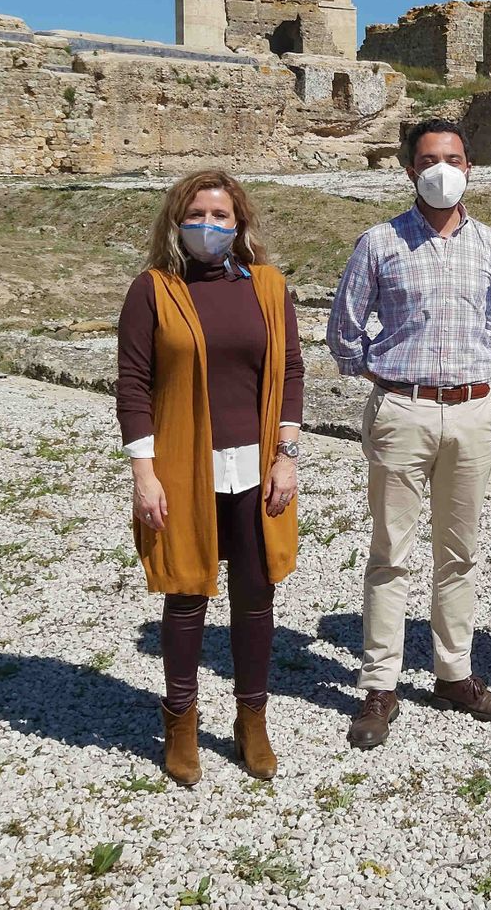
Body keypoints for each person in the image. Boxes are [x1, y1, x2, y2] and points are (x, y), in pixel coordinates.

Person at [326, 117, 491, 750]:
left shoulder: (489, 243)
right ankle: (380, 683)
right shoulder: (379, 242)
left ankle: (453, 673)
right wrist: (384, 374)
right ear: (409, 169)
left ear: (470, 167)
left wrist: (466, 374)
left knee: (459, 553)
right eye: (431, 159)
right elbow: (344, 331)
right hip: (402, 411)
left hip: (471, 411)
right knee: (390, 554)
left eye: (455, 158)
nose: (443, 169)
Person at [116, 169, 303, 786]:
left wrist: (286, 455)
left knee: (256, 597)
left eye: (222, 216)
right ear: (176, 221)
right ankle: (181, 722)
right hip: (182, 465)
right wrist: (144, 471)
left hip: (256, 466)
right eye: (198, 213)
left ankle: (252, 721)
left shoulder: (270, 288)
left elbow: (292, 373)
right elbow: (134, 384)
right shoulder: (154, 290)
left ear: (240, 223)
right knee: (187, 593)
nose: (210, 226)